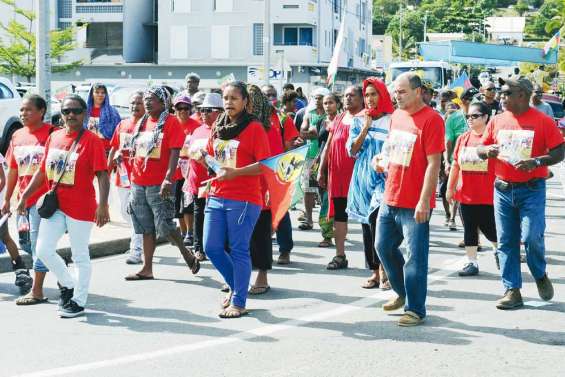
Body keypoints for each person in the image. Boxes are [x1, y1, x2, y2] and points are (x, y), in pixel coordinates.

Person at [16, 94, 110, 318]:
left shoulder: (92, 141)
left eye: (76, 111)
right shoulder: (54, 137)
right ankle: (68, 284)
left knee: (80, 255)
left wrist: (103, 205)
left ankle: (78, 301)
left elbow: (102, 175)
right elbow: (42, 172)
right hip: (56, 205)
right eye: (66, 111)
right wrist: (24, 196)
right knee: (42, 249)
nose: (70, 115)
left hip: (81, 206)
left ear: (84, 113)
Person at [477, 76, 564, 310]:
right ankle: (512, 290)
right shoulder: (496, 121)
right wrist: (488, 150)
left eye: (507, 93)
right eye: (502, 93)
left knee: (532, 237)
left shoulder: (543, 121)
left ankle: (539, 273)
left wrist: (535, 162)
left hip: (532, 190)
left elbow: (559, 152)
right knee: (506, 241)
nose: (502, 97)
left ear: (522, 96)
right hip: (503, 189)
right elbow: (480, 148)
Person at [374, 72, 445, 326]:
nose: (397, 96)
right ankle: (401, 291)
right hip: (390, 195)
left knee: (415, 256)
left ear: (418, 92)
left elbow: (433, 163)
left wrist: (424, 200)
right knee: (382, 247)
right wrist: (380, 161)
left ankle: (415, 308)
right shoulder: (396, 116)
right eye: (395, 92)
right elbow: (389, 150)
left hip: (415, 201)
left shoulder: (432, 120)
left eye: (402, 91)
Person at [201, 81, 270, 318]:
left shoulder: (254, 129)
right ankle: (237, 287)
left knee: (239, 249)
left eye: (234, 98)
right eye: (225, 98)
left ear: (245, 102)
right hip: (216, 195)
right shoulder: (218, 127)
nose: (228, 103)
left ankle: (239, 301)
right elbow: (215, 161)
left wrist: (237, 173)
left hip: (244, 198)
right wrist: (204, 160)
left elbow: (265, 166)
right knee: (211, 247)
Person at [125, 87, 200, 281]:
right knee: (145, 225)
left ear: (164, 102)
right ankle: (147, 268)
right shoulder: (141, 123)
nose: (148, 102)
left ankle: (185, 252)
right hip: (138, 181)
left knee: (164, 225)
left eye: (153, 99)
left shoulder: (171, 122)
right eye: (146, 99)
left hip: (159, 183)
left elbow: (175, 151)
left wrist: (168, 178)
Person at [2, 94, 52, 303]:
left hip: (44, 199)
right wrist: (8, 199)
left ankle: (38, 287)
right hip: (23, 201)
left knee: (38, 244)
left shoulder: (52, 133)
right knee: (28, 244)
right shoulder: (17, 136)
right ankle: (58, 266)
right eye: (21, 110)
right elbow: (13, 170)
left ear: (41, 111)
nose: (23, 113)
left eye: (28, 109)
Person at [346, 78, 393, 288]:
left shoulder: (393, 120)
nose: (370, 99)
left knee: (378, 221)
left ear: (382, 95)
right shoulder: (358, 120)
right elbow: (352, 151)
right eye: (366, 95)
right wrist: (365, 127)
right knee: (367, 226)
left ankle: (385, 269)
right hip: (362, 178)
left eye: (374, 94)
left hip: (384, 178)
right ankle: (374, 271)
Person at [446, 102, 498, 277]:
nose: (470, 119)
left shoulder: (493, 139)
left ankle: (500, 252)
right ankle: (472, 262)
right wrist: (450, 187)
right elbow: (455, 164)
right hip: (466, 195)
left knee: (491, 229)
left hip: (488, 195)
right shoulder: (463, 138)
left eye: (474, 116)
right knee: (469, 229)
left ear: (485, 117)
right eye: (468, 116)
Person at [318, 86, 363, 270]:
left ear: (361, 98)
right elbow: (328, 145)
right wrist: (322, 169)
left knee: (368, 220)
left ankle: (378, 264)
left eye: (352, 95)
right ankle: (340, 255)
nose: (347, 98)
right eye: (345, 95)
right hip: (337, 176)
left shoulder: (367, 118)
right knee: (339, 217)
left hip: (360, 177)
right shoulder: (339, 118)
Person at [261, 85, 301, 266]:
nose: (269, 97)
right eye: (265, 95)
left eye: (272, 94)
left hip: (278, 172)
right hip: (256, 172)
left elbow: (289, 147)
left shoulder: (283, 119)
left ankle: (285, 250)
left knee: (281, 211)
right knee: (260, 214)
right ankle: (261, 251)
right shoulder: (253, 119)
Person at [107, 91, 145, 265]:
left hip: (140, 177)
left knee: (134, 212)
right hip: (122, 176)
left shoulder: (149, 126)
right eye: (132, 103)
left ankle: (136, 250)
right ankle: (142, 235)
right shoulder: (122, 124)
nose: (135, 106)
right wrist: (108, 169)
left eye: (139, 103)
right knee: (124, 212)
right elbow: (114, 148)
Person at [186, 93, 223, 261]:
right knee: (199, 214)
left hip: (216, 183)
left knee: (216, 217)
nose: (203, 114)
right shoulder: (197, 130)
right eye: (201, 110)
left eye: (208, 110)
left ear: (219, 111)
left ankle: (218, 248)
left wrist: (206, 161)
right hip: (197, 182)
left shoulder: (223, 130)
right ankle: (198, 248)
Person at [443, 87, 477, 231]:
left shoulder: (481, 116)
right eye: (471, 99)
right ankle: (451, 216)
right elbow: (448, 142)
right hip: (457, 162)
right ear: (463, 101)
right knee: (451, 191)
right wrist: (447, 161)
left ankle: (473, 235)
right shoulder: (453, 118)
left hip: (476, 164)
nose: (475, 102)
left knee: (470, 199)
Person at [299, 88, 329, 231]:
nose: (318, 101)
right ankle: (309, 219)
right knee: (308, 189)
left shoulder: (330, 115)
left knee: (324, 190)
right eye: (316, 98)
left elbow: (323, 134)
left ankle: (327, 225)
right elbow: (302, 133)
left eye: (321, 98)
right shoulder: (309, 114)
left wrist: (314, 133)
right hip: (310, 156)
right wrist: (315, 133)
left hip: (326, 156)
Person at [173, 94, 200, 246]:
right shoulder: (171, 124)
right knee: (177, 205)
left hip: (191, 169)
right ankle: (183, 233)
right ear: (174, 109)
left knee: (189, 203)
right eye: (179, 108)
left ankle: (191, 232)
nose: (183, 111)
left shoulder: (196, 126)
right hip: (175, 170)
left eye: (186, 108)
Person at [315, 93, 340, 248]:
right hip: (322, 164)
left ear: (337, 104)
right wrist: (318, 164)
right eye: (325, 103)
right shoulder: (320, 122)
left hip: (337, 164)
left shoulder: (343, 120)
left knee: (332, 200)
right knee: (324, 198)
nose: (327, 106)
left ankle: (331, 234)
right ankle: (327, 233)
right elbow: (321, 144)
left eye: (330, 102)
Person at [85, 83, 121, 153]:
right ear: (92, 95)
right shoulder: (85, 112)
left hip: (106, 150)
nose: (100, 95)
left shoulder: (112, 112)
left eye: (103, 93)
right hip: (88, 149)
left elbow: (118, 133)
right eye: (97, 92)